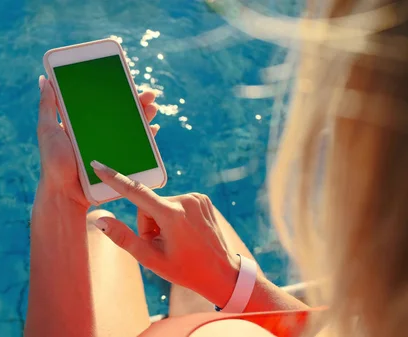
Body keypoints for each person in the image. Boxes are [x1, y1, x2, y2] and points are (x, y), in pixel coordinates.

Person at [25, 0, 408, 335]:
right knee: (197, 223)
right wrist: (230, 281)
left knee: (99, 228)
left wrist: (62, 200)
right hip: (234, 309)